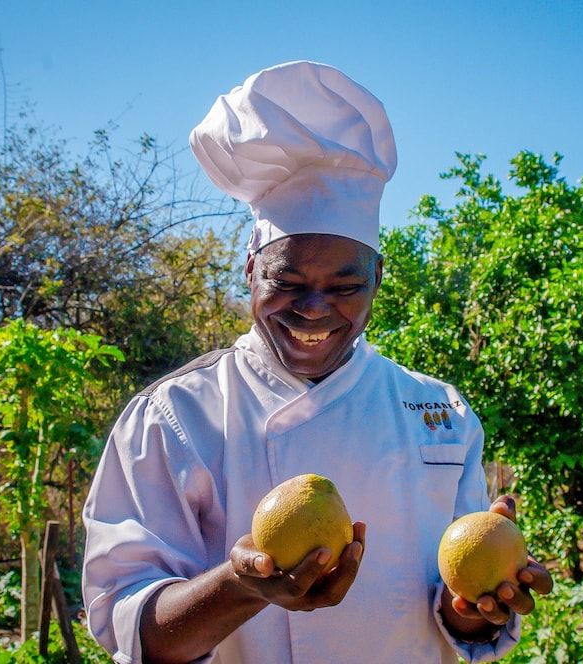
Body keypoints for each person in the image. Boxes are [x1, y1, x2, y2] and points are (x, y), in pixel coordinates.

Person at [81, 61, 553, 664]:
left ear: (378, 279)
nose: (314, 309)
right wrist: (241, 588)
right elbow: (128, 626)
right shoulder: (173, 417)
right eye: (289, 280)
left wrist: (472, 613)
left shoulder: (440, 411)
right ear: (250, 271)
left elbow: (456, 603)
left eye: (344, 286)